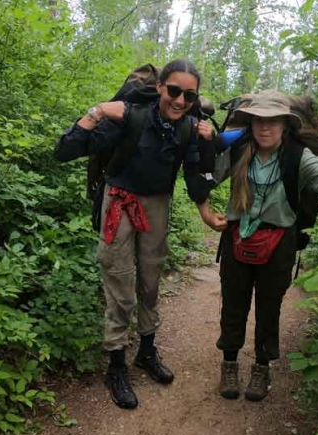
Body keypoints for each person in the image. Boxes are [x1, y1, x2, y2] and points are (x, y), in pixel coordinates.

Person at [53, 59, 225, 409]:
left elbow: (193, 171)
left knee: (150, 281)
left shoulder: (188, 128)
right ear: (161, 86)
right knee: (119, 282)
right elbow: (65, 151)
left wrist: (205, 211)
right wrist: (97, 111)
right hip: (117, 202)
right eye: (174, 91)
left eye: (188, 96)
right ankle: (116, 366)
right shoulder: (129, 117)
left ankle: (146, 351)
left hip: (157, 204)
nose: (179, 100)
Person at [198, 90, 318, 401]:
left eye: (273, 121)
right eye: (259, 120)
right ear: (251, 124)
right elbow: (205, 176)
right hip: (237, 238)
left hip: (280, 242)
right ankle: (229, 363)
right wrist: (203, 147)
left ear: (285, 125)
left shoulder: (299, 158)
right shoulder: (239, 150)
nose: (265, 128)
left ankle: (262, 367)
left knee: (269, 307)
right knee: (233, 303)